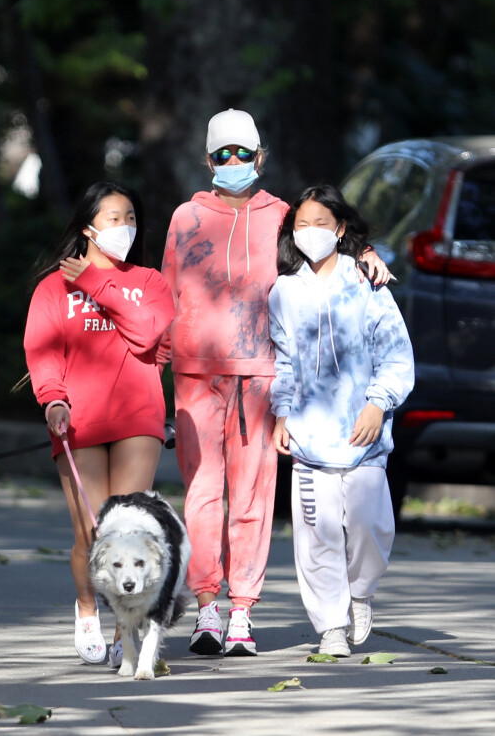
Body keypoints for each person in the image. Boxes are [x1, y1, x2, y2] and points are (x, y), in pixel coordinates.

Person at [158, 109, 390, 657]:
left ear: (260, 157)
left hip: (263, 376)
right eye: (223, 154)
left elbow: (325, 239)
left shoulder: (283, 215)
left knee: (255, 497)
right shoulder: (184, 217)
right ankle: (206, 608)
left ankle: (243, 612)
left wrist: (367, 253)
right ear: (207, 159)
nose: (233, 163)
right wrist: (153, 375)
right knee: (203, 494)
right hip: (196, 374)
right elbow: (166, 295)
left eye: (243, 153)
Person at [24, 180, 175, 667]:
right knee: (91, 534)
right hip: (77, 420)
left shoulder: (150, 282)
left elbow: (148, 332)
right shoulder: (52, 287)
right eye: (114, 217)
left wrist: (94, 281)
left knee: (127, 531)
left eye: (131, 217)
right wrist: (52, 400)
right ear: (89, 226)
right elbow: (42, 351)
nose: (125, 226)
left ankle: (121, 631)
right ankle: (87, 607)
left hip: (138, 416)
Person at [268, 184, 414, 657]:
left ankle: (360, 593)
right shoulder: (284, 291)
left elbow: (396, 353)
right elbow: (284, 361)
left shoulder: (368, 281)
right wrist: (281, 413)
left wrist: (378, 402)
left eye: (321, 224)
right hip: (310, 439)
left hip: (364, 434)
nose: (311, 233)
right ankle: (331, 624)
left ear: (341, 228)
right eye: (302, 225)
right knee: (316, 534)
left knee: (372, 526)